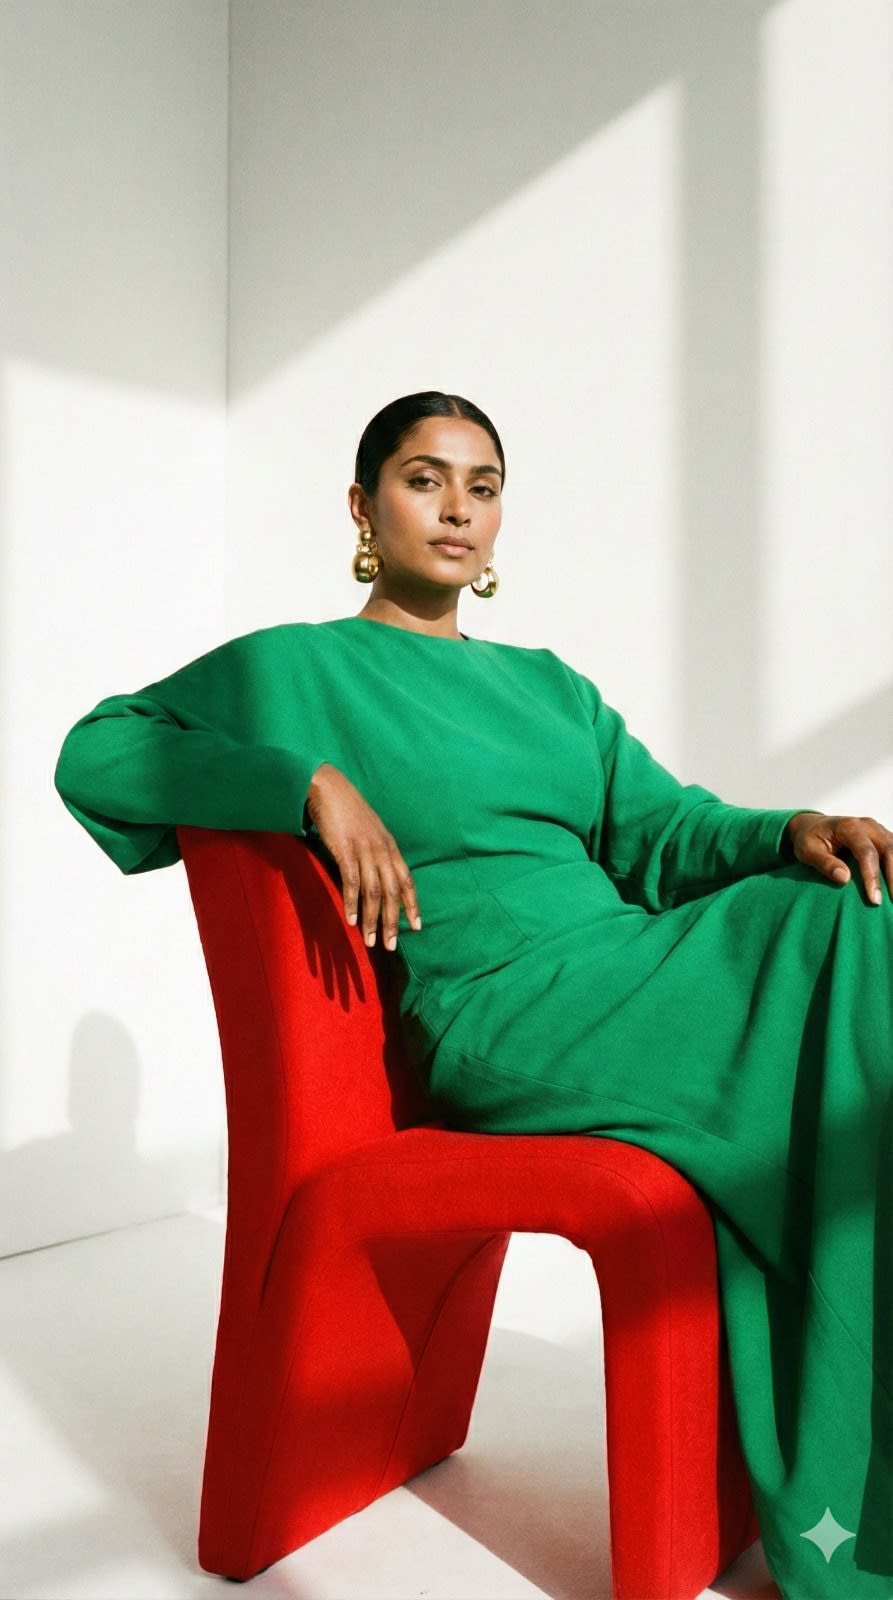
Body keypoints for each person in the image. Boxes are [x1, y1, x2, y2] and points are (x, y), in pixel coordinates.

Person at [54, 390, 892, 1600]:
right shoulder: (295, 668)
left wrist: (793, 827)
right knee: (842, 966)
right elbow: (96, 749)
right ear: (361, 504)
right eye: (422, 477)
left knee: (847, 911)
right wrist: (303, 782)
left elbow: (668, 833)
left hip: (627, 970)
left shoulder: (550, 687)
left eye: (481, 485)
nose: (455, 508)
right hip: (501, 1015)